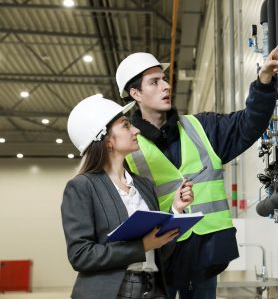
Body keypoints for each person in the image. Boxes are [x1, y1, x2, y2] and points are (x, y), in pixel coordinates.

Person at [115, 37, 278, 298]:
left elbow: (248, 124)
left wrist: (263, 81)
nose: (166, 85)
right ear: (136, 93)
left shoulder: (202, 127)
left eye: (164, 79)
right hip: (162, 260)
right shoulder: (128, 146)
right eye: (155, 82)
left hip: (208, 253)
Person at [61, 95, 194, 299]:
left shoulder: (144, 185)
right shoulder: (82, 187)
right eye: (126, 126)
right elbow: (81, 255)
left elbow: (161, 252)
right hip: (112, 292)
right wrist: (142, 246)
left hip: (153, 288)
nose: (136, 130)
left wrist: (176, 210)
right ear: (107, 141)